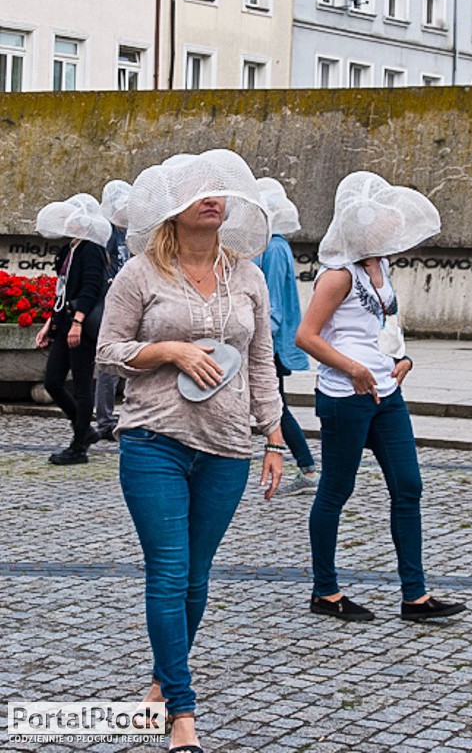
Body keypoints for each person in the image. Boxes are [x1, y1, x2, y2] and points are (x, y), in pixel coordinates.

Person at [96, 149, 284, 753]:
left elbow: (260, 363)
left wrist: (274, 436)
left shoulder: (249, 275)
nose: (215, 197)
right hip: (155, 440)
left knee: (197, 579)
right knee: (169, 571)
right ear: (173, 208)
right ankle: (182, 712)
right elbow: (108, 350)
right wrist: (171, 350)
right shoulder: (140, 275)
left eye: (222, 190)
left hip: (227, 446)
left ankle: (161, 677)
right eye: (200, 190)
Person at [296, 171, 466, 623]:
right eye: (386, 221)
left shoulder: (381, 266)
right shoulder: (337, 276)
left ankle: (415, 597)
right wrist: (350, 367)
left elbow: (384, 326)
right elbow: (305, 337)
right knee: (336, 490)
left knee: (409, 486)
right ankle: (325, 592)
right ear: (362, 225)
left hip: (386, 394)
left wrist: (402, 356)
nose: (394, 228)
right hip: (344, 396)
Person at [254, 177, 319, 496]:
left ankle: (305, 467)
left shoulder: (275, 247)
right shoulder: (267, 246)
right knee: (274, 405)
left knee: (276, 406)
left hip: (270, 343)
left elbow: (273, 303)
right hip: (267, 340)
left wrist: (261, 342)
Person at [35, 194, 110, 465]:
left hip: (81, 325)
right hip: (64, 322)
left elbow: (91, 288)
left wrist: (77, 322)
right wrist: (49, 324)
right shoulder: (69, 249)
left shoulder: (91, 249)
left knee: (81, 385)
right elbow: (62, 291)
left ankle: (79, 447)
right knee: (52, 381)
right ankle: (85, 429)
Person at [94, 180, 131, 441]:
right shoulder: (107, 232)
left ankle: (120, 416)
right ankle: (104, 420)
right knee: (109, 367)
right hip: (110, 304)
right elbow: (104, 268)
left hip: (128, 301)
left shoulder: (126, 232)